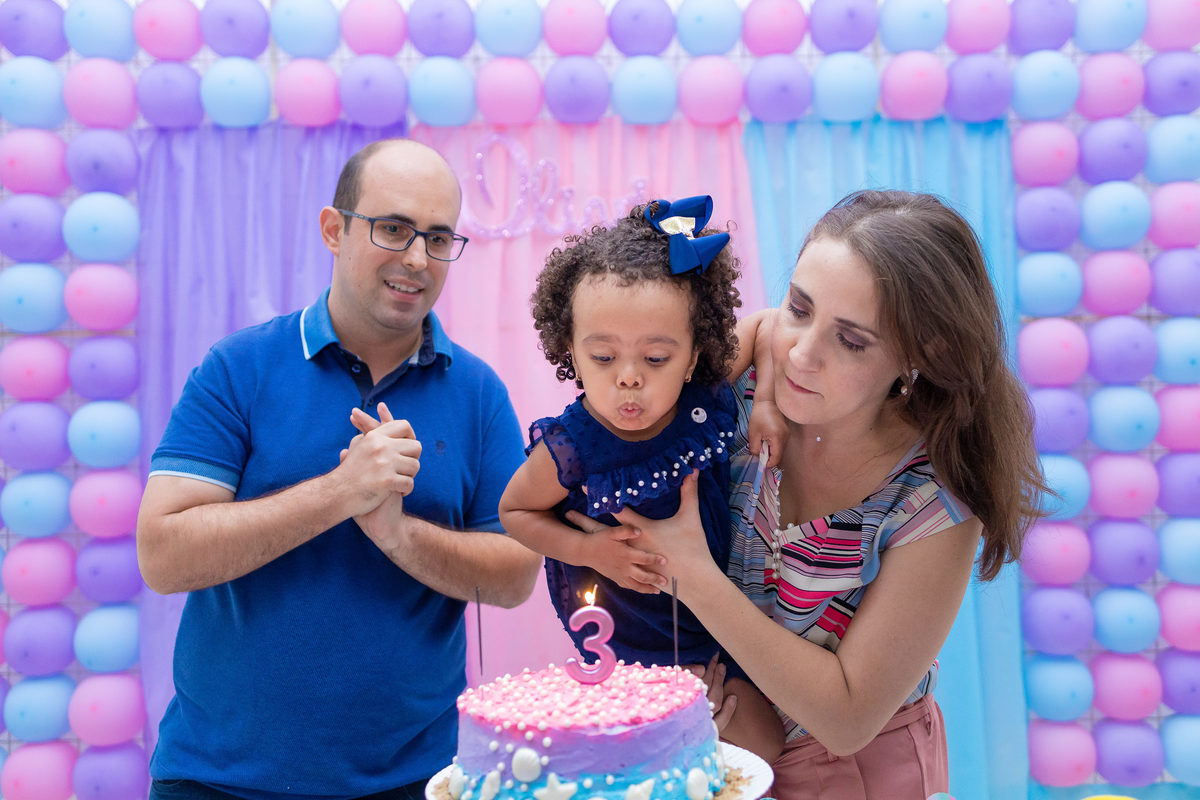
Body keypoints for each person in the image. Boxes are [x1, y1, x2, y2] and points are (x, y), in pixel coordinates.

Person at [571, 190, 1046, 799]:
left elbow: (848, 718)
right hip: (722, 754)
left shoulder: (934, 497)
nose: (801, 352)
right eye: (799, 308)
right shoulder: (736, 393)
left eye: (851, 341)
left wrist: (693, 576)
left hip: (864, 773)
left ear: (923, 353)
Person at [136, 139, 542, 800]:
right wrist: (340, 493)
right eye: (394, 229)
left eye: (439, 238)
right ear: (334, 229)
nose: (417, 259)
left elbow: (515, 574)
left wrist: (398, 535)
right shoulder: (238, 369)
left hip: (418, 781)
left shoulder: (477, 393)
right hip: (217, 781)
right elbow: (163, 556)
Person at [498, 196, 787, 762]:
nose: (628, 378)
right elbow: (515, 512)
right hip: (628, 643)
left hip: (710, 626)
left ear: (694, 355)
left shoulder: (700, 401)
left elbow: (769, 326)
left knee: (765, 746)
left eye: (655, 359)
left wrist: (768, 401)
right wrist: (589, 550)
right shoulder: (573, 446)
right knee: (639, 765)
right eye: (603, 358)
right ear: (571, 353)